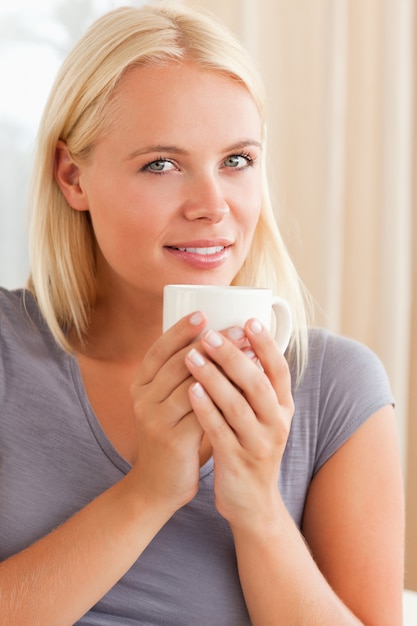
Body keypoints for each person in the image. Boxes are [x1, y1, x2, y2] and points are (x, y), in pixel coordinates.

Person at [0, 3, 404, 624]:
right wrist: (149, 491)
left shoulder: (339, 389)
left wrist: (258, 510)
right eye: (162, 164)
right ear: (72, 176)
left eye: (237, 161)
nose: (213, 206)